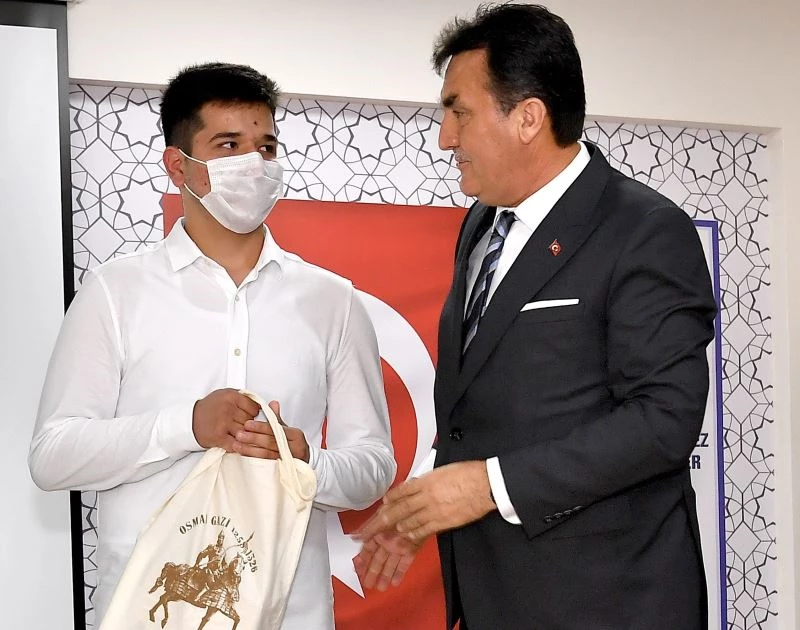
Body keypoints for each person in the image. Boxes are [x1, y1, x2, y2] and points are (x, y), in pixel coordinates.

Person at [354, 4, 716, 629]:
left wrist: (486, 486)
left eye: (460, 112)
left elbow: (664, 420)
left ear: (528, 117)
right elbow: (486, 410)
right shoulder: (481, 224)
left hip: (609, 604)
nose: (445, 137)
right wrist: (426, 509)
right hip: (497, 596)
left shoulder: (644, 231)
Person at [29, 62, 396, 629]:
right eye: (228, 145)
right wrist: (187, 426)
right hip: (145, 613)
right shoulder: (114, 292)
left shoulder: (334, 301)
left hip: (290, 613)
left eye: (266, 147)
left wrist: (304, 461)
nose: (254, 163)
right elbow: (53, 456)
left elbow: (372, 468)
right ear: (179, 165)